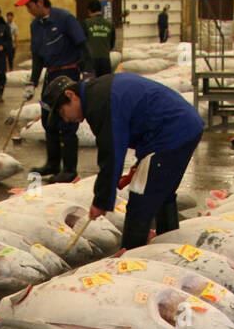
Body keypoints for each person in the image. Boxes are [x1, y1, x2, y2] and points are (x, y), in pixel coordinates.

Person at [42, 72, 204, 253]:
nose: (66, 119)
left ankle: (130, 256)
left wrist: (101, 201)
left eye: (62, 112)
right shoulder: (99, 92)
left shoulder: (99, 103)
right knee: (161, 194)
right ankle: (169, 250)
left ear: (71, 96)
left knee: (140, 199)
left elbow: (111, 154)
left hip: (171, 134)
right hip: (183, 127)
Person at [16, 0, 86, 183]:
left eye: (29, 6)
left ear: (39, 2)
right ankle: (53, 163)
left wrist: (87, 72)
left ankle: (70, 169)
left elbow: (82, 44)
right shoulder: (35, 26)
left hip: (68, 74)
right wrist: (32, 82)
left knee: (67, 120)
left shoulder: (64, 19)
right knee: (49, 119)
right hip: (51, 75)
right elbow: (37, 57)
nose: (28, 11)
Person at [82, 0, 115, 78]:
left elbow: (82, 43)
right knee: (105, 87)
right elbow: (112, 44)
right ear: (101, 9)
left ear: (89, 11)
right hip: (105, 62)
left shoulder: (85, 24)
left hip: (90, 63)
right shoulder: (110, 24)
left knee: (90, 88)